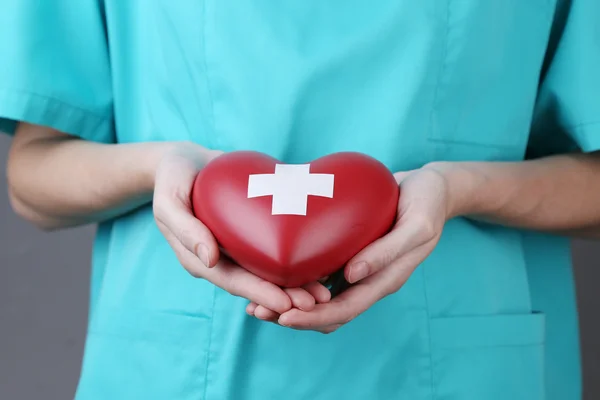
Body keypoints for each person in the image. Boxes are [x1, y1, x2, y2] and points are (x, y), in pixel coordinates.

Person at [1, 1, 598, 399]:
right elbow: (35, 173)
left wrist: (458, 188)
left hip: (458, 366)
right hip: (174, 371)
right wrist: (162, 166)